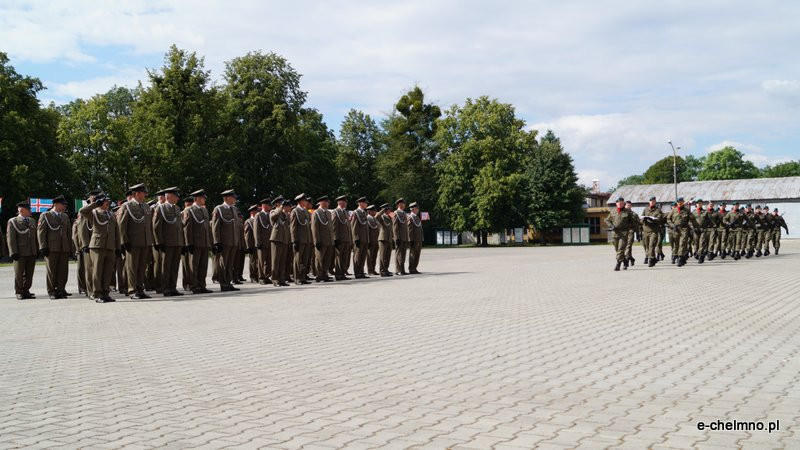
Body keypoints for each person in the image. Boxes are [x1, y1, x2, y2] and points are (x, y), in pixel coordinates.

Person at [79, 195, 120, 303]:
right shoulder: (94, 213)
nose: (108, 203)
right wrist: (95, 204)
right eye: (105, 201)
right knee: (97, 270)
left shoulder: (111, 214)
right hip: (97, 245)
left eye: (108, 201)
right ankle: (97, 293)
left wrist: (118, 247)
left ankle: (106, 293)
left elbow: (117, 232)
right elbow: (82, 211)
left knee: (108, 271)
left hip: (110, 246)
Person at [119, 183, 154, 299]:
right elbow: (122, 226)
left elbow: (149, 226)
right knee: (132, 267)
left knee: (141, 267)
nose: (145, 195)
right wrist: (124, 241)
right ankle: (132, 290)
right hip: (132, 242)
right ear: (137, 193)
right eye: (143, 193)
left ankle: (140, 289)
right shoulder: (127, 206)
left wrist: (150, 241)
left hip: (145, 242)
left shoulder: (146, 207)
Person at [37, 195, 74, 299]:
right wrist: (43, 247)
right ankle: (52, 291)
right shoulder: (45, 215)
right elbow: (41, 232)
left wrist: (70, 248)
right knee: (52, 271)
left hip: (64, 248)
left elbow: (68, 233)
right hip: (51, 247)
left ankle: (61, 290)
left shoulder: (65, 216)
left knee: (63, 270)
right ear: (56, 204)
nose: (65, 206)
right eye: (63, 204)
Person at [153, 187, 185, 296]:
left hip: (177, 242)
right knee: (166, 267)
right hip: (167, 243)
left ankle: (173, 287)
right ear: (168, 196)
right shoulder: (161, 208)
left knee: (174, 266)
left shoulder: (177, 208)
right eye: (175, 196)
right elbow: (156, 227)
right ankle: (165, 288)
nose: (177, 198)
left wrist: (182, 242)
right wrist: (159, 242)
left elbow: (180, 227)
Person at [183, 189, 213, 294]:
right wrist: (188, 243)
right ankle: (194, 286)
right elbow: (187, 228)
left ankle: (202, 285)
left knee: (203, 266)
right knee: (194, 266)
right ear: (196, 199)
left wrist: (210, 242)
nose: (204, 199)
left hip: (204, 242)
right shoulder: (189, 210)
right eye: (202, 197)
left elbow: (207, 228)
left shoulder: (204, 210)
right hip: (195, 243)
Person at [211, 189, 242, 292]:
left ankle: (228, 282)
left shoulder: (234, 209)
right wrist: (217, 242)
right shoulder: (219, 209)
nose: (235, 199)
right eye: (233, 197)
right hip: (224, 241)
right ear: (227, 198)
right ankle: (223, 284)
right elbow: (215, 227)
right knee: (223, 263)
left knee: (230, 264)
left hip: (233, 241)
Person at [7, 201, 38, 299]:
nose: (30, 211)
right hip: (20, 252)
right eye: (29, 209)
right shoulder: (13, 221)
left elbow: (35, 237)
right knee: (19, 274)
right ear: (22, 210)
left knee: (29, 274)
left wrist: (37, 250)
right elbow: (10, 238)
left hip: (31, 251)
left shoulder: (32, 221)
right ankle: (19, 292)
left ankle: (26, 290)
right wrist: (13, 252)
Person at [604, 197, 638, 271]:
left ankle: (618, 264)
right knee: (617, 250)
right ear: (616, 204)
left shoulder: (628, 212)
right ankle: (625, 261)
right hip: (615, 233)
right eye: (619, 203)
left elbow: (633, 222)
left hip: (624, 233)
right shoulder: (613, 211)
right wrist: (611, 226)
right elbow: (607, 220)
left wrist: (632, 229)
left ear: (624, 204)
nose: (620, 204)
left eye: (622, 203)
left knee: (621, 249)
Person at [290, 194, 313, 285]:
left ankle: (303, 277)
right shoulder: (295, 211)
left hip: (306, 239)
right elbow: (293, 227)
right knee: (298, 260)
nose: (306, 202)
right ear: (300, 201)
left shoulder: (306, 212)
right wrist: (294, 240)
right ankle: (297, 278)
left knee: (305, 260)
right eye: (305, 200)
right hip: (299, 239)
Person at [671, 197, 700, 267]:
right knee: (677, 244)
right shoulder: (673, 210)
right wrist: (672, 225)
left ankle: (680, 258)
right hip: (676, 229)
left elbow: (693, 219)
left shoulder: (687, 211)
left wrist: (697, 227)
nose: (679, 203)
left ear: (683, 202)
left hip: (684, 229)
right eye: (678, 202)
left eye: (681, 202)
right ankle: (680, 256)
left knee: (683, 243)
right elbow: (668, 219)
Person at [311, 196, 333, 282]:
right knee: (319, 258)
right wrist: (316, 240)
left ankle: (325, 274)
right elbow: (314, 228)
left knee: (327, 259)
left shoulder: (328, 213)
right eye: (326, 202)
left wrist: (332, 239)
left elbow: (330, 227)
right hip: (321, 240)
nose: (328, 204)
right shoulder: (316, 213)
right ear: (321, 202)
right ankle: (319, 275)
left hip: (329, 240)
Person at [270, 198, 292, 287]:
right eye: (284, 205)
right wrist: (280, 207)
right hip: (276, 239)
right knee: (276, 260)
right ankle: (275, 279)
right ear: (277, 204)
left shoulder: (285, 214)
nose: (286, 207)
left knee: (282, 261)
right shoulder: (273, 212)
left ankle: (281, 279)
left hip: (284, 239)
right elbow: (273, 217)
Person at [253, 198, 273, 285]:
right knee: (261, 261)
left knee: (269, 261)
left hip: (269, 241)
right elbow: (256, 230)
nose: (270, 207)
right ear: (264, 206)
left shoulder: (270, 215)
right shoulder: (259, 215)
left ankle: (267, 276)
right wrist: (258, 242)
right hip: (262, 242)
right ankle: (261, 278)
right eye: (269, 205)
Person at [640, 196, 664, 267]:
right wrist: (643, 220)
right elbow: (641, 218)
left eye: (653, 201)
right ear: (649, 202)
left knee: (651, 245)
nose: (652, 202)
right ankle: (653, 258)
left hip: (654, 231)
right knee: (647, 246)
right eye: (651, 201)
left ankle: (650, 259)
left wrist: (653, 220)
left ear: (655, 202)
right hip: (645, 231)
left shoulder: (658, 210)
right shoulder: (645, 209)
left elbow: (660, 219)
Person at [332, 195, 353, 280]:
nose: (346, 203)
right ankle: (338, 274)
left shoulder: (344, 212)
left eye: (346, 201)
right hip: (340, 239)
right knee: (339, 257)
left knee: (345, 257)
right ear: (340, 202)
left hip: (346, 238)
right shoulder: (335, 212)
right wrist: (336, 238)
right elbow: (334, 226)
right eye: (344, 201)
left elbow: (348, 226)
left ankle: (342, 273)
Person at [350, 196, 370, 279]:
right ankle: (357, 272)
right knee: (357, 256)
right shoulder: (356, 212)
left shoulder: (364, 213)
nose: (366, 204)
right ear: (360, 203)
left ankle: (361, 271)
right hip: (359, 238)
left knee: (363, 256)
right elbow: (354, 226)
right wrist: (356, 238)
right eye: (365, 203)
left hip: (364, 238)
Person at [374, 203, 394, 277]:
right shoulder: (381, 216)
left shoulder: (389, 217)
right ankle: (382, 271)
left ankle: (386, 269)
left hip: (389, 238)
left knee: (388, 255)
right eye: (388, 209)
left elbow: (391, 228)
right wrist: (383, 210)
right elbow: (376, 216)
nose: (390, 210)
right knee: (382, 255)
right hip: (383, 238)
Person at [392, 198, 410, 275]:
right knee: (398, 253)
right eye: (403, 203)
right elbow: (395, 226)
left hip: (404, 237)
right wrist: (396, 238)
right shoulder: (395, 213)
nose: (404, 205)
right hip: (399, 237)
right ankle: (398, 270)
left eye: (404, 203)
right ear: (399, 204)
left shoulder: (404, 213)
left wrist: (407, 237)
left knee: (403, 254)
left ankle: (402, 269)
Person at [181, 196, 195, 291]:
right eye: (187, 203)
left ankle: (193, 282)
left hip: (193, 241)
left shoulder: (194, 212)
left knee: (192, 264)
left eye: (191, 202)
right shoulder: (181, 214)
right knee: (186, 265)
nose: (189, 204)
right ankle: (186, 283)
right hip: (183, 243)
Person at [244, 204, 260, 283]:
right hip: (252, 244)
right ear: (252, 212)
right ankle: (253, 276)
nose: (258, 212)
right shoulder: (248, 221)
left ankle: (258, 275)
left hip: (258, 243)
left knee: (258, 261)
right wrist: (248, 246)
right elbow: (247, 235)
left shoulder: (258, 220)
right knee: (253, 261)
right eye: (256, 211)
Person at [624, 200, 639, 266]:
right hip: (623, 232)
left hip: (631, 231)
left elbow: (637, 224)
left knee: (628, 245)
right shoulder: (622, 213)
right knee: (625, 246)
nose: (628, 206)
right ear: (625, 206)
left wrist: (638, 234)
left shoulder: (634, 214)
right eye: (627, 205)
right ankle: (631, 258)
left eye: (629, 205)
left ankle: (627, 259)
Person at [366, 205, 380, 276]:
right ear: (369, 211)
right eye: (373, 211)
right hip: (371, 241)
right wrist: (368, 240)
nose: (375, 212)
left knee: (374, 256)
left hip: (376, 240)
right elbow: (367, 230)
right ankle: (370, 270)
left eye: (375, 210)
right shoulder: (368, 218)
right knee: (370, 256)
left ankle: (373, 269)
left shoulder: (374, 219)